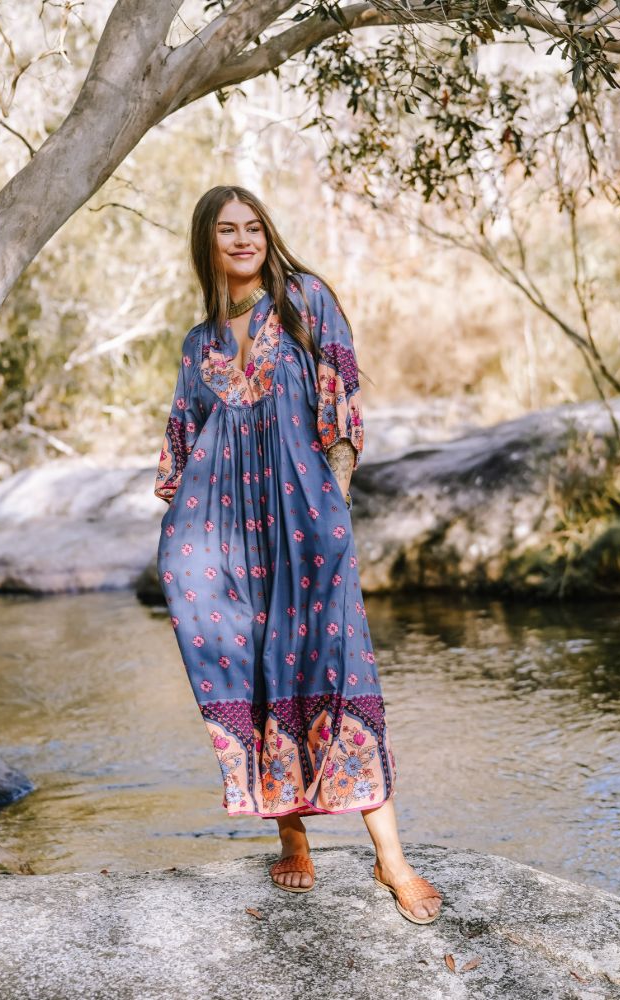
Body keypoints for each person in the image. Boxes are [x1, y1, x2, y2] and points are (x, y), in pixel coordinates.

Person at [154, 185, 442, 924]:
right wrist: (182, 551)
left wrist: (336, 508)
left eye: (254, 227)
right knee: (249, 673)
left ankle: (391, 860)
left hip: (307, 522)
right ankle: (294, 842)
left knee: (338, 670)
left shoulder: (306, 301)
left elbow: (340, 401)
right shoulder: (199, 344)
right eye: (228, 230)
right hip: (221, 536)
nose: (245, 239)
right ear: (207, 242)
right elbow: (183, 446)